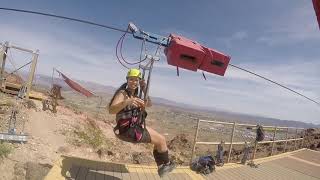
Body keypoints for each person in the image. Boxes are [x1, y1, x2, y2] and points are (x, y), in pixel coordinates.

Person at [108, 68, 176, 177]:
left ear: (139, 81)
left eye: (136, 80)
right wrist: (127, 102)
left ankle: (162, 167)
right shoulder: (123, 93)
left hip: (133, 127)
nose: (134, 82)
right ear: (127, 79)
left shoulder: (135, 95)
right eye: (131, 79)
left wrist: (144, 88)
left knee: (160, 140)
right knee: (161, 140)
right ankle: (166, 165)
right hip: (129, 131)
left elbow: (149, 104)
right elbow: (111, 110)